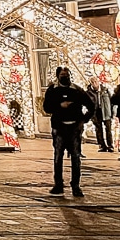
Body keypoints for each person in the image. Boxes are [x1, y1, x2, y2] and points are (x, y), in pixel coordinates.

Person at [42, 65, 96, 198]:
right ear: (58, 76)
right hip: (59, 127)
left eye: (66, 75)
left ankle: (75, 186)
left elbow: (91, 105)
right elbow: (46, 107)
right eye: (62, 75)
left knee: (76, 157)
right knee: (58, 157)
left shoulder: (76, 90)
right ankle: (58, 185)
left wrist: (83, 120)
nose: (65, 77)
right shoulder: (53, 90)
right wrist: (59, 106)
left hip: (74, 128)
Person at [89, 80, 114, 152]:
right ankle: (102, 145)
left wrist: (112, 112)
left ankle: (110, 145)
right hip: (97, 112)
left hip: (106, 111)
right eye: (92, 82)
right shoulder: (90, 92)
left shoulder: (105, 90)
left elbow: (111, 101)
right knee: (98, 129)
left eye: (95, 82)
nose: (94, 84)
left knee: (108, 129)